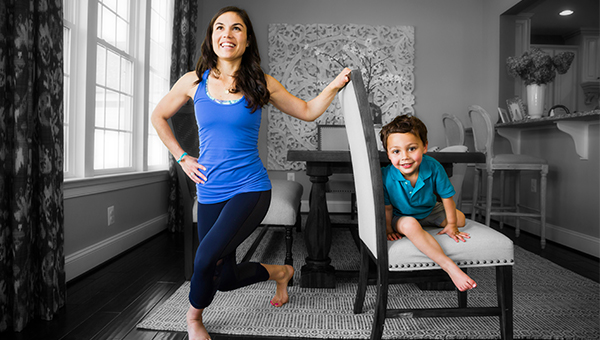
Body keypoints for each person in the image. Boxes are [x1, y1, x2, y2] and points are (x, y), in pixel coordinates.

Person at [151, 6, 351, 340]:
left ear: (246, 40)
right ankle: (281, 272)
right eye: (220, 28)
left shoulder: (261, 83)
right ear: (211, 37)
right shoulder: (193, 81)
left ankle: (193, 319)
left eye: (236, 29)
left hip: (250, 188)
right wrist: (182, 156)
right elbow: (158, 116)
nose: (226, 34)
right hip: (211, 190)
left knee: (204, 260)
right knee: (225, 277)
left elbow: (307, 110)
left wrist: (333, 86)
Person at [379, 115, 477, 292]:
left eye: (411, 148)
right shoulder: (386, 175)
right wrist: (388, 229)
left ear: (424, 147)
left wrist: (452, 225)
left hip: (430, 210)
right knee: (409, 224)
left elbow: (446, 197)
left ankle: (424, 227)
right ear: (388, 153)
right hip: (402, 215)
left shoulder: (433, 166)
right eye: (396, 151)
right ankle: (450, 268)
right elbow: (387, 207)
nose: (405, 157)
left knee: (461, 219)